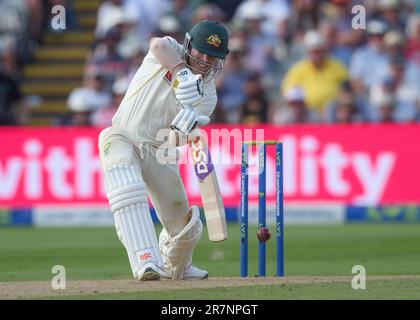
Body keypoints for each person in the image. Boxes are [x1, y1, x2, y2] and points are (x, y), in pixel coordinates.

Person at [97, 20, 229, 281]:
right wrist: (181, 73)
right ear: (189, 44)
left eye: (212, 56)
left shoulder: (209, 95)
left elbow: (176, 140)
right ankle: (146, 260)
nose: (204, 59)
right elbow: (156, 44)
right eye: (200, 50)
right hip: (123, 135)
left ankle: (176, 266)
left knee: (183, 221)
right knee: (126, 185)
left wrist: (183, 130)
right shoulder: (170, 50)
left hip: (160, 150)